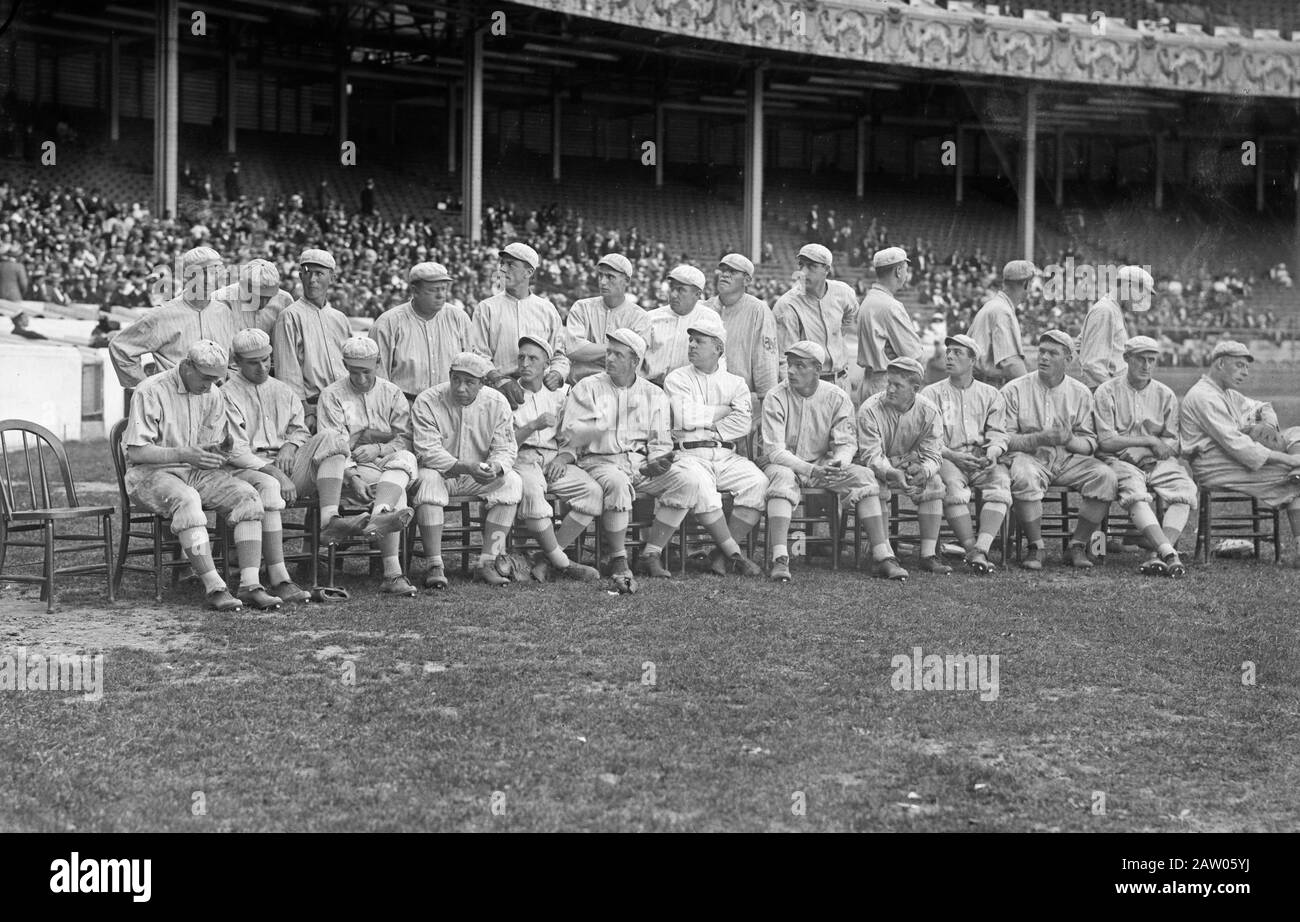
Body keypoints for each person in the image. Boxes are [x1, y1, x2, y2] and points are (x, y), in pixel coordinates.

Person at [122, 340, 295, 612]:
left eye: (216, 378)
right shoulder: (151, 390)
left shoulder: (212, 393)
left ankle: (251, 585)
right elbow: (138, 451)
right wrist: (185, 454)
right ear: (187, 366)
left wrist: (217, 451)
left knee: (247, 496)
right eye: (205, 377)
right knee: (188, 499)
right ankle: (215, 587)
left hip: (194, 471)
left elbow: (205, 446)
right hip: (149, 475)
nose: (210, 385)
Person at [558, 328, 710, 587]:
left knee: (688, 480)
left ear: (634, 362)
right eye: (608, 353)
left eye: (618, 354)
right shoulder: (588, 388)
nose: (610, 359)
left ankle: (651, 553)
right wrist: (593, 432)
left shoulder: (654, 394)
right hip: (599, 462)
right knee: (617, 482)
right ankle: (619, 558)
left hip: (640, 463)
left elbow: (660, 442)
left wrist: (657, 462)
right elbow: (572, 436)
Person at [221, 328, 371, 550]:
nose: (262, 367)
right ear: (237, 361)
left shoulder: (283, 389)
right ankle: (265, 564)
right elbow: (236, 451)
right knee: (269, 482)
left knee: (331, 437)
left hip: (288, 465)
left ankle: (330, 521)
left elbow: (300, 430)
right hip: (249, 472)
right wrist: (277, 474)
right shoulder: (226, 394)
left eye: (265, 360)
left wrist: (289, 446)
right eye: (253, 363)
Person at [761, 341, 897, 582]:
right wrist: (810, 469)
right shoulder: (776, 396)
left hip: (825, 464)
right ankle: (780, 558)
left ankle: (882, 556)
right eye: (789, 365)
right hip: (784, 463)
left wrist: (838, 463)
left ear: (817, 369)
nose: (791, 371)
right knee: (782, 478)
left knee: (864, 476)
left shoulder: (836, 396)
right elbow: (774, 450)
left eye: (800, 366)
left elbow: (846, 442)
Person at [662, 309, 766, 577]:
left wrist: (713, 427)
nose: (692, 346)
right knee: (703, 488)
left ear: (718, 348)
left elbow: (743, 423)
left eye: (699, 341)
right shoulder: (677, 378)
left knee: (758, 483)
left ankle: (719, 553)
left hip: (726, 454)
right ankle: (735, 554)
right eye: (691, 340)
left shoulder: (735, 382)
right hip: (690, 454)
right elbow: (685, 416)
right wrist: (723, 411)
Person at [1002, 330, 1118, 570]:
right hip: (1030, 457)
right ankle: (1036, 546)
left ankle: (1078, 545)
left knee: (1105, 477)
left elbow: (1090, 443)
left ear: (1068, 360)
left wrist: (1069, 440)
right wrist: (1038, 438)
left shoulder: (1080, 392)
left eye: (1052, 353)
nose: (1043, 357)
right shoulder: (1014, 389)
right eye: (1041, 351)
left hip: (1068, 458)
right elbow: (1004, 439)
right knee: (1022, 475)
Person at [317, 337, 421, 596]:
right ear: (344, 365)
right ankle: (392, 573)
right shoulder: (332, 395)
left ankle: (380, 513)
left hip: (385, 459)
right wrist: (352, 476)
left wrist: (378, 448)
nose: (361, 378)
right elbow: (333, 444)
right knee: (397, 491)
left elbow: (405, 437)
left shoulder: (391, 392)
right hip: (351, 465)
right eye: (354, 371)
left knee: (407, 460)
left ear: (378, 363)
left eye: (366, 371)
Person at [411, 351, 524, 588]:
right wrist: (464, 467)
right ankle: (435, 564)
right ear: (449, 376)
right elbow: (427, 450)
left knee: (512, 481)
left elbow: (506, 448)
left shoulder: (496, 402)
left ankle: (487, 562)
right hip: (441, 472)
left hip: (478, 473)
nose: (461, 388)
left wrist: (496, 466)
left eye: (470, 382)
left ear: (482, 383)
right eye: (456, 380)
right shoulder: (428, 400)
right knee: (428, 479)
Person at [1180, 339, 1300, 561]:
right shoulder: (1203, 396)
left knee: (1295, 433)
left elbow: (1262, 406)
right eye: (1239, 365)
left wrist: (1269, 428)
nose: (1245, 373)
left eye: (1247, 367)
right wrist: (1287, 459)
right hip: (1212, 465)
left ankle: (1296, 469)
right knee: (1292, 475)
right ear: (1220, 364)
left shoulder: (1227, 393)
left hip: (1229, 459)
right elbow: (1238, 445)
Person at [1093, 335, 1193, 577]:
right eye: (1140, 359)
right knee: (1135, 495)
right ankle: (1170, 554)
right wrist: (1148, 440)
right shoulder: (1107, 391)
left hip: (1158, 461)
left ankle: (1159, 554)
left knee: (1185, 491)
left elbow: (1173, 441)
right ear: (1126, 359)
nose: (1146, 366)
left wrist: (1147, 449)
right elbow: (1106, 441)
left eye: (1152, 360)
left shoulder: (1165, 394)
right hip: (1119, 460)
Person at [510, 335, 603, 583]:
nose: (525, 363)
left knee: (592, 491)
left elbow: (572, 439)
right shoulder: (507, 394)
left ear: (546, 364)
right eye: (521, 358)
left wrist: (563, 459)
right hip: (522, 458)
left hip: (552, 458)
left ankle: (546, 557)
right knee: (531, 491)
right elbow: (504, 445)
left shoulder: (561, 395)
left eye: (533, 358)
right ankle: (563, 562)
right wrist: (533, 425)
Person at [919, 333, 1011, 574]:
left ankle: (982, 547)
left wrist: (992, 452)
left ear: (973, 361)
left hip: (981, 457)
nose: (949, 356)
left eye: (958, 353)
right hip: (948, 457)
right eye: (948, 351)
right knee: (951, 486)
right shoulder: (932, 394)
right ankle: (972, 549)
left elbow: (998, 432)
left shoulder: (991, 394)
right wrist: (953, 455)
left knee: (1000, 482)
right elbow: (927, 439)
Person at [856, 356, 950, 576]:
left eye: (897, 385)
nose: (889, 389)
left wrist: (924, 471)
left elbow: (934, 454)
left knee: (934, 481)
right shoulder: (870, 409)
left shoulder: (929, 411)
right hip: (875, 464)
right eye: (889, 383)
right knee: (874, 482)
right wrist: (891, 472)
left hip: (910, 462)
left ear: (915, 389)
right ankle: (884, 553)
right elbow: (871, 455)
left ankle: (928, 555)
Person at [109, 246, 238, 388]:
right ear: (187, 276)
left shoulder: (224, 312)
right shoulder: (163, 315)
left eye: (214, 272)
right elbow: (121, 347)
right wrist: (146, 388)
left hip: (216, 403)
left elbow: (232, 360)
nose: (209, 279)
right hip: (175, 401)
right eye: (201, 273)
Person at [470, 242, 569, 408]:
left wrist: (557, 374)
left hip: (540, 391)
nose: (502, 269)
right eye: (502, 263)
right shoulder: (486, 307)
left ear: (528, 272)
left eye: (510, 265)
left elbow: (559, 355)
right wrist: (498, 379)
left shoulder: (547, 309)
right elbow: (478, 354)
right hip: (499, 391)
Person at [700, 252, 779, 445]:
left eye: (732, 272)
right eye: (723, 270)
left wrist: (765, 403)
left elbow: (765, 361)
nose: (724, 275)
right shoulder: (705, 308)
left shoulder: (758, 310)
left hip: (741, 402)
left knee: (743, 456)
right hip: (705, 398)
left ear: (747, 280)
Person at [273, 248, 351, 428]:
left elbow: (349, 365)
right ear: (301, 276)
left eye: (319, 273)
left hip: (346, 404)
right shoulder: (290, 316)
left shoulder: (339, 318)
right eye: (307, 273)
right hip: (312, 406)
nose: (312, 279)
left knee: (356, 451)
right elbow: (287, 372)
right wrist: (304, 410)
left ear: (332, 278)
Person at [369, 261, 470, 401]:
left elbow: (471, 364)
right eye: (434, 290)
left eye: (444, 289)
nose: (441, 295)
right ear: (415, 291)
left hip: (451, 405)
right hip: (406, 406)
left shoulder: (459, 318)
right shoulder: (388, 323)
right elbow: (378, 376)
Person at [772, 244, 858, 392]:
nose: (803, 272)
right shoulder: (787, 305)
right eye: (801, 265)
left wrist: (839, 332)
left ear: (827, 269)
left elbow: (852, 311)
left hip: (842, 380)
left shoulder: (843, 292)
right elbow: (784, 360)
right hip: (810, 385)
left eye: (811, 266)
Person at [564, 253, 650, 383]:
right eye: (600, 275)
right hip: (578, 384)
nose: (603, 282)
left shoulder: (640, 317)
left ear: (626, 281)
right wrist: (618, 348)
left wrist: (590, 350)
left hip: (617, 389)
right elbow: (573, 349)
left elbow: (632, 364)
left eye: (610, 277)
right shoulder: (581, 307)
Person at [857, 246, 925, 402]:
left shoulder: (869, 299)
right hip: (887, 384)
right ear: (898, 271)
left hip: (869, 380)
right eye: (906, 270)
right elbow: (914, 355)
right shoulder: (890, 305)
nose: (906, 274)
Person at [1078, 265, 1151, 390]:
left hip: (1108, 389)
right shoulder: (1105, 310)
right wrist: (1116, 393)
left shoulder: (1113, 309)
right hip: (1104, 393)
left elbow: (1079, 345)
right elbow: (1092, 364)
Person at [645, 264, 715, 386]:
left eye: (681, 290)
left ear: (697, 294)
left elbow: (719, 361)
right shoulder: (651, 317)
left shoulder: (709, 319)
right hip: (651, 387)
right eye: (672, 288)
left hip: (690, 390)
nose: (673, 294)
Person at [968, 260, 1033, 385]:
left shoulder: (993, 305)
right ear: (1025, 284)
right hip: (991, 386)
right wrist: (1030, 389)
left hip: (979, 383)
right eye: (1030, 284)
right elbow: (1011, 363)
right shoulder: (1003, 311)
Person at [212, 258, 293, 336]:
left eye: (268, 297)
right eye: (257, 297)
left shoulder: (285, 300)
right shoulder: (220, 300)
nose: (263, 303)